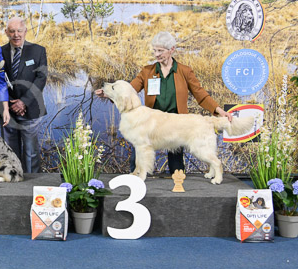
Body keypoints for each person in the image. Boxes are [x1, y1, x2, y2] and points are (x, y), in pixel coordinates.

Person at [95, 31, 232, 174]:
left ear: (172, 49)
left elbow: (200, 94)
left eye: (160, 51)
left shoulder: (185, 71)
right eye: (154, 50)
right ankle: (138, 179)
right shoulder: (147, 71)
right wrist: (108, 94)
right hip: (150, 124)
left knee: (176, 168)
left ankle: (177, 182)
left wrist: (219, 111)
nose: (156, 54)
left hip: (176, 124)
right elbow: (129, 91)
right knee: (138, 154)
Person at [0, 17, 47, 173]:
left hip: (30, 109)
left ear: (25, 31)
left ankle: (31, 182)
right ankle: (14, 180)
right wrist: (12, 103)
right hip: (7, 110)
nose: (16, 35)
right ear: (6, 32)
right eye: (12, 31)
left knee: (31, 153)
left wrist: (23, 102)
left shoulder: (38, 51)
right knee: (10, 152)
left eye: (19, 31)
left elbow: (41, 79)